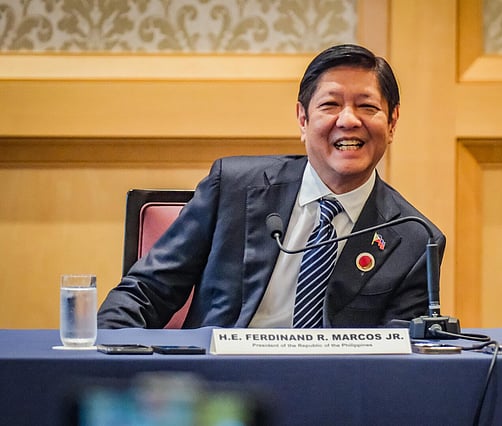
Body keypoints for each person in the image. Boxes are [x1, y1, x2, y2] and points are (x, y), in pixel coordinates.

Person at [98, 44, 445, 329]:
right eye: (330, 105)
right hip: (219, 383)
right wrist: (104, 360)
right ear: (303, 119)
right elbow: (146, 292)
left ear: (392, 122)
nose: (348, 120)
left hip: (333, 389)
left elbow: (400, 355)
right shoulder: (233, 187)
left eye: (367, 107)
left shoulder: (414, 239)